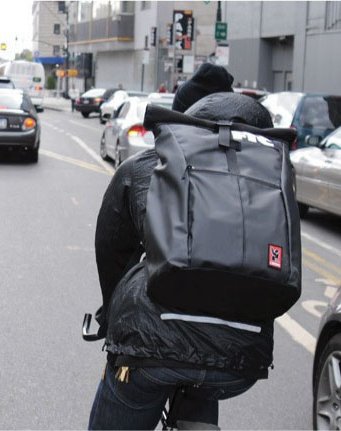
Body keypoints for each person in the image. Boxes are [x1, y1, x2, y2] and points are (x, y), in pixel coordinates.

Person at [88, 63, 276, 430]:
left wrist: (113, 318)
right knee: (208, 373)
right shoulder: (270, 179)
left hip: (150, 348)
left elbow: (113, 251)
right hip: (242, 358)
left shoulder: (147, 166)